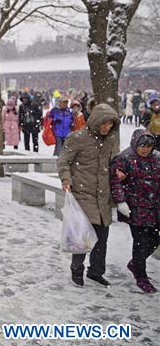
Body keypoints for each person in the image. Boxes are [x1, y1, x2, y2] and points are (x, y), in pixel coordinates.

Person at [57, 103, 119, 287]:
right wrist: (66, 179)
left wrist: (119, 172)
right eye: (104, 124)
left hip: (103, 196)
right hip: (83, 192)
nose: (107, 128)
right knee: (82, 236)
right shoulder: (77, 138)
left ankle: (96, 271)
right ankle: (77, 270)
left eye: (110, 124)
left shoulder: (110, 141)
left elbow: (113, 163)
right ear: (96, 121)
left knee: (102, 238)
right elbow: (63, 161)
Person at [111, 129, 160, 293]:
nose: (146, 149)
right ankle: (141, 277)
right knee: (141, 242)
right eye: (143, 146)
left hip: (154, 207)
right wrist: (120, 201)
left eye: (149, 146)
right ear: (135, 144)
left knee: (155, 239)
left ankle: (135, 264)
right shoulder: (124, 158)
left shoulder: (157, 158)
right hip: (135, 208)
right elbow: (115, 182)